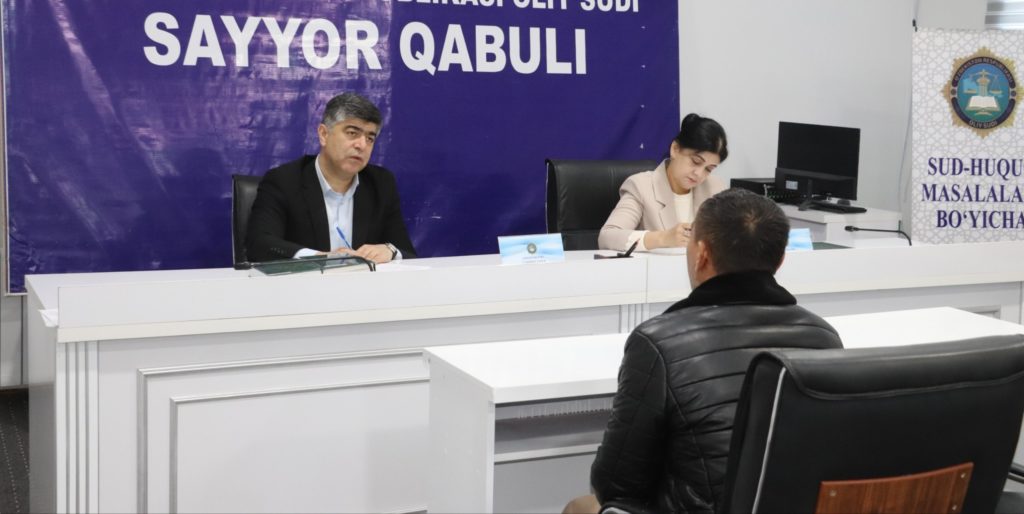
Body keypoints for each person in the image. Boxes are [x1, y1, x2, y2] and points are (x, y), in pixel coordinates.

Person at [566, 189, 843, 514]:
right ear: (781, 260)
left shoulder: (657, 342)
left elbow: (615, 485)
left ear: (702, 255)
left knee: (579, 508)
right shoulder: (825, 337)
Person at [245, 92, 416, 263]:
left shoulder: (381, 183)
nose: (362, 145)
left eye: (370, 138)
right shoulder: (284, 181)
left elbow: (407, 252)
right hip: (307, 279)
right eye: (352, 133)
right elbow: (259, 244)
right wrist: (319, 258)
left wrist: (390, 250)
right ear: (324, 134)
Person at [598, 114, 729, 252]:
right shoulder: (641, 186)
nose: (699, 174)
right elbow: (607, 237)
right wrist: (663, 238)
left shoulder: (716, 188)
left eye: (709, 169)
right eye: (696, 162)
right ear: (675, 149)